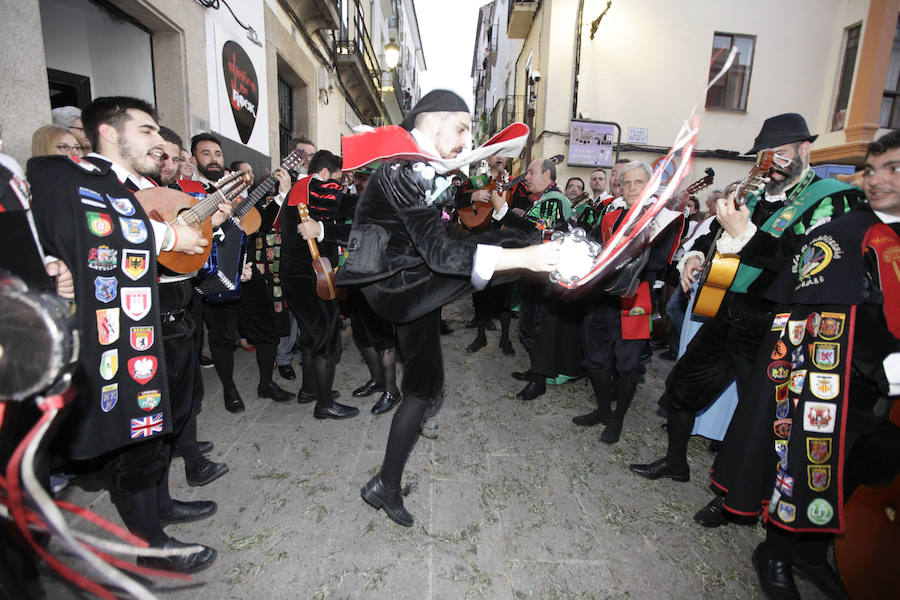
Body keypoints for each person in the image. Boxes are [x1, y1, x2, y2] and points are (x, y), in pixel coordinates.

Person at [330, 89, 560, 527]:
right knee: (502, 254)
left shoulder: (418, 167)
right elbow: (438, 254)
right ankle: (386, 485)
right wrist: (523, 260)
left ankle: (386, 483)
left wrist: (515, 238)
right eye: (461, 128)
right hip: (400, 286)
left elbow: (447, 229)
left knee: (425, 385)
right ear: (432, 121)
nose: (465, 139)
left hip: (411, 284)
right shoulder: (403, 169)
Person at [28, 96, 218, 572]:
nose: (160, 142)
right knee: (132, 438)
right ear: (109, 134)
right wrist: (167, 237)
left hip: (155, 328)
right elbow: (87, 231)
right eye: (148, 131)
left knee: (157, 428)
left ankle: (162, 506)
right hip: (108, 340)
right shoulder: (63, 177)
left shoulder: (140, 187)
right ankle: (150, 546)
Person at [629, 113, 864, 491]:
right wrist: (694, 256)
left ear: (805, 150)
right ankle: (675, 461)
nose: (771, 163)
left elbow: (805, 264)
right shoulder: (751, 195)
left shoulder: (831, 201)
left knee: (761, 414)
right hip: (729, 312)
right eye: (765, 155)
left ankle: (739, 493)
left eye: (781, 154)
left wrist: (749, 236)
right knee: (682, 385)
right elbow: (715, 238)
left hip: (775, 323)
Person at [750, 129, 900, 600]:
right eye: (872, 169)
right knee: (810, 463)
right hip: (837, 373)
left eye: (892, 169)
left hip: (882, 396)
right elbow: (815, 289)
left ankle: (811, 554)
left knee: (856, 471)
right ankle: (774, 552)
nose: (877, 180)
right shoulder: (845, 227)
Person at [574, 161, 682, 443]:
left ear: (650, 186)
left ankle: (618, 418)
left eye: (638, 182)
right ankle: (602, 409)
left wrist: (635, 236)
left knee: (627, 365)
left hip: (637, 298)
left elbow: (657, 262)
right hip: (603, 297)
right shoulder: (611, 216)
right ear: (620, 187)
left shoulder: (663, 219)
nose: (632, 188)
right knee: (595, 359)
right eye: (627, 183)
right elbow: (596, 248)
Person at [192, 133, 293, 412]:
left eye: (217, 153)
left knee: (269, 331)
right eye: (206, 153)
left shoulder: (236, 196)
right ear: (193, 160)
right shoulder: (188, 193)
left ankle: (266, 384)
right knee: (222, 337)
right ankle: (229, 390)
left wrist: (282, 192)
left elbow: (258, 224)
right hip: (214, 278)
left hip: (249, 275)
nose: (213, 158)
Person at [490, 157, 576, 401]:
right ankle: (535, 371)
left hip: (545, 276)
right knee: (528, 327)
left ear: (547, 175)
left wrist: (503, 211)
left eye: (531, 172)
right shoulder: (544, 200)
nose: (525, 177)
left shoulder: (555, 200)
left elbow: (537, 232)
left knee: (534, 328)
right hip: (535, 272)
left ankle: (539, 381)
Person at [282, 149, 359, 418]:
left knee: (309, 335)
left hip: (296, 274)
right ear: (325, 173)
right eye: (338, 181)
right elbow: (349, 206)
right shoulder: (317, 187)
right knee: (327, 337)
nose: (339, 187)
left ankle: (310, 389)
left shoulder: (299, 188)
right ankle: (325, 404)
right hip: (310, 276)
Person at [464, 155, 517, 356]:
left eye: (505, 153)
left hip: (505, 244)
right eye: (497, 152)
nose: (501, 157)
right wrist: (473, 197)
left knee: (503, 294)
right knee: (480, 291)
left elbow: (527, 204)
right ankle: (480, 336)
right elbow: (457, 198)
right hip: (481, 241)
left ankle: (505, 339)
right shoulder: (478, 181)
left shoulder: (516, 183)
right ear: (490, 157)